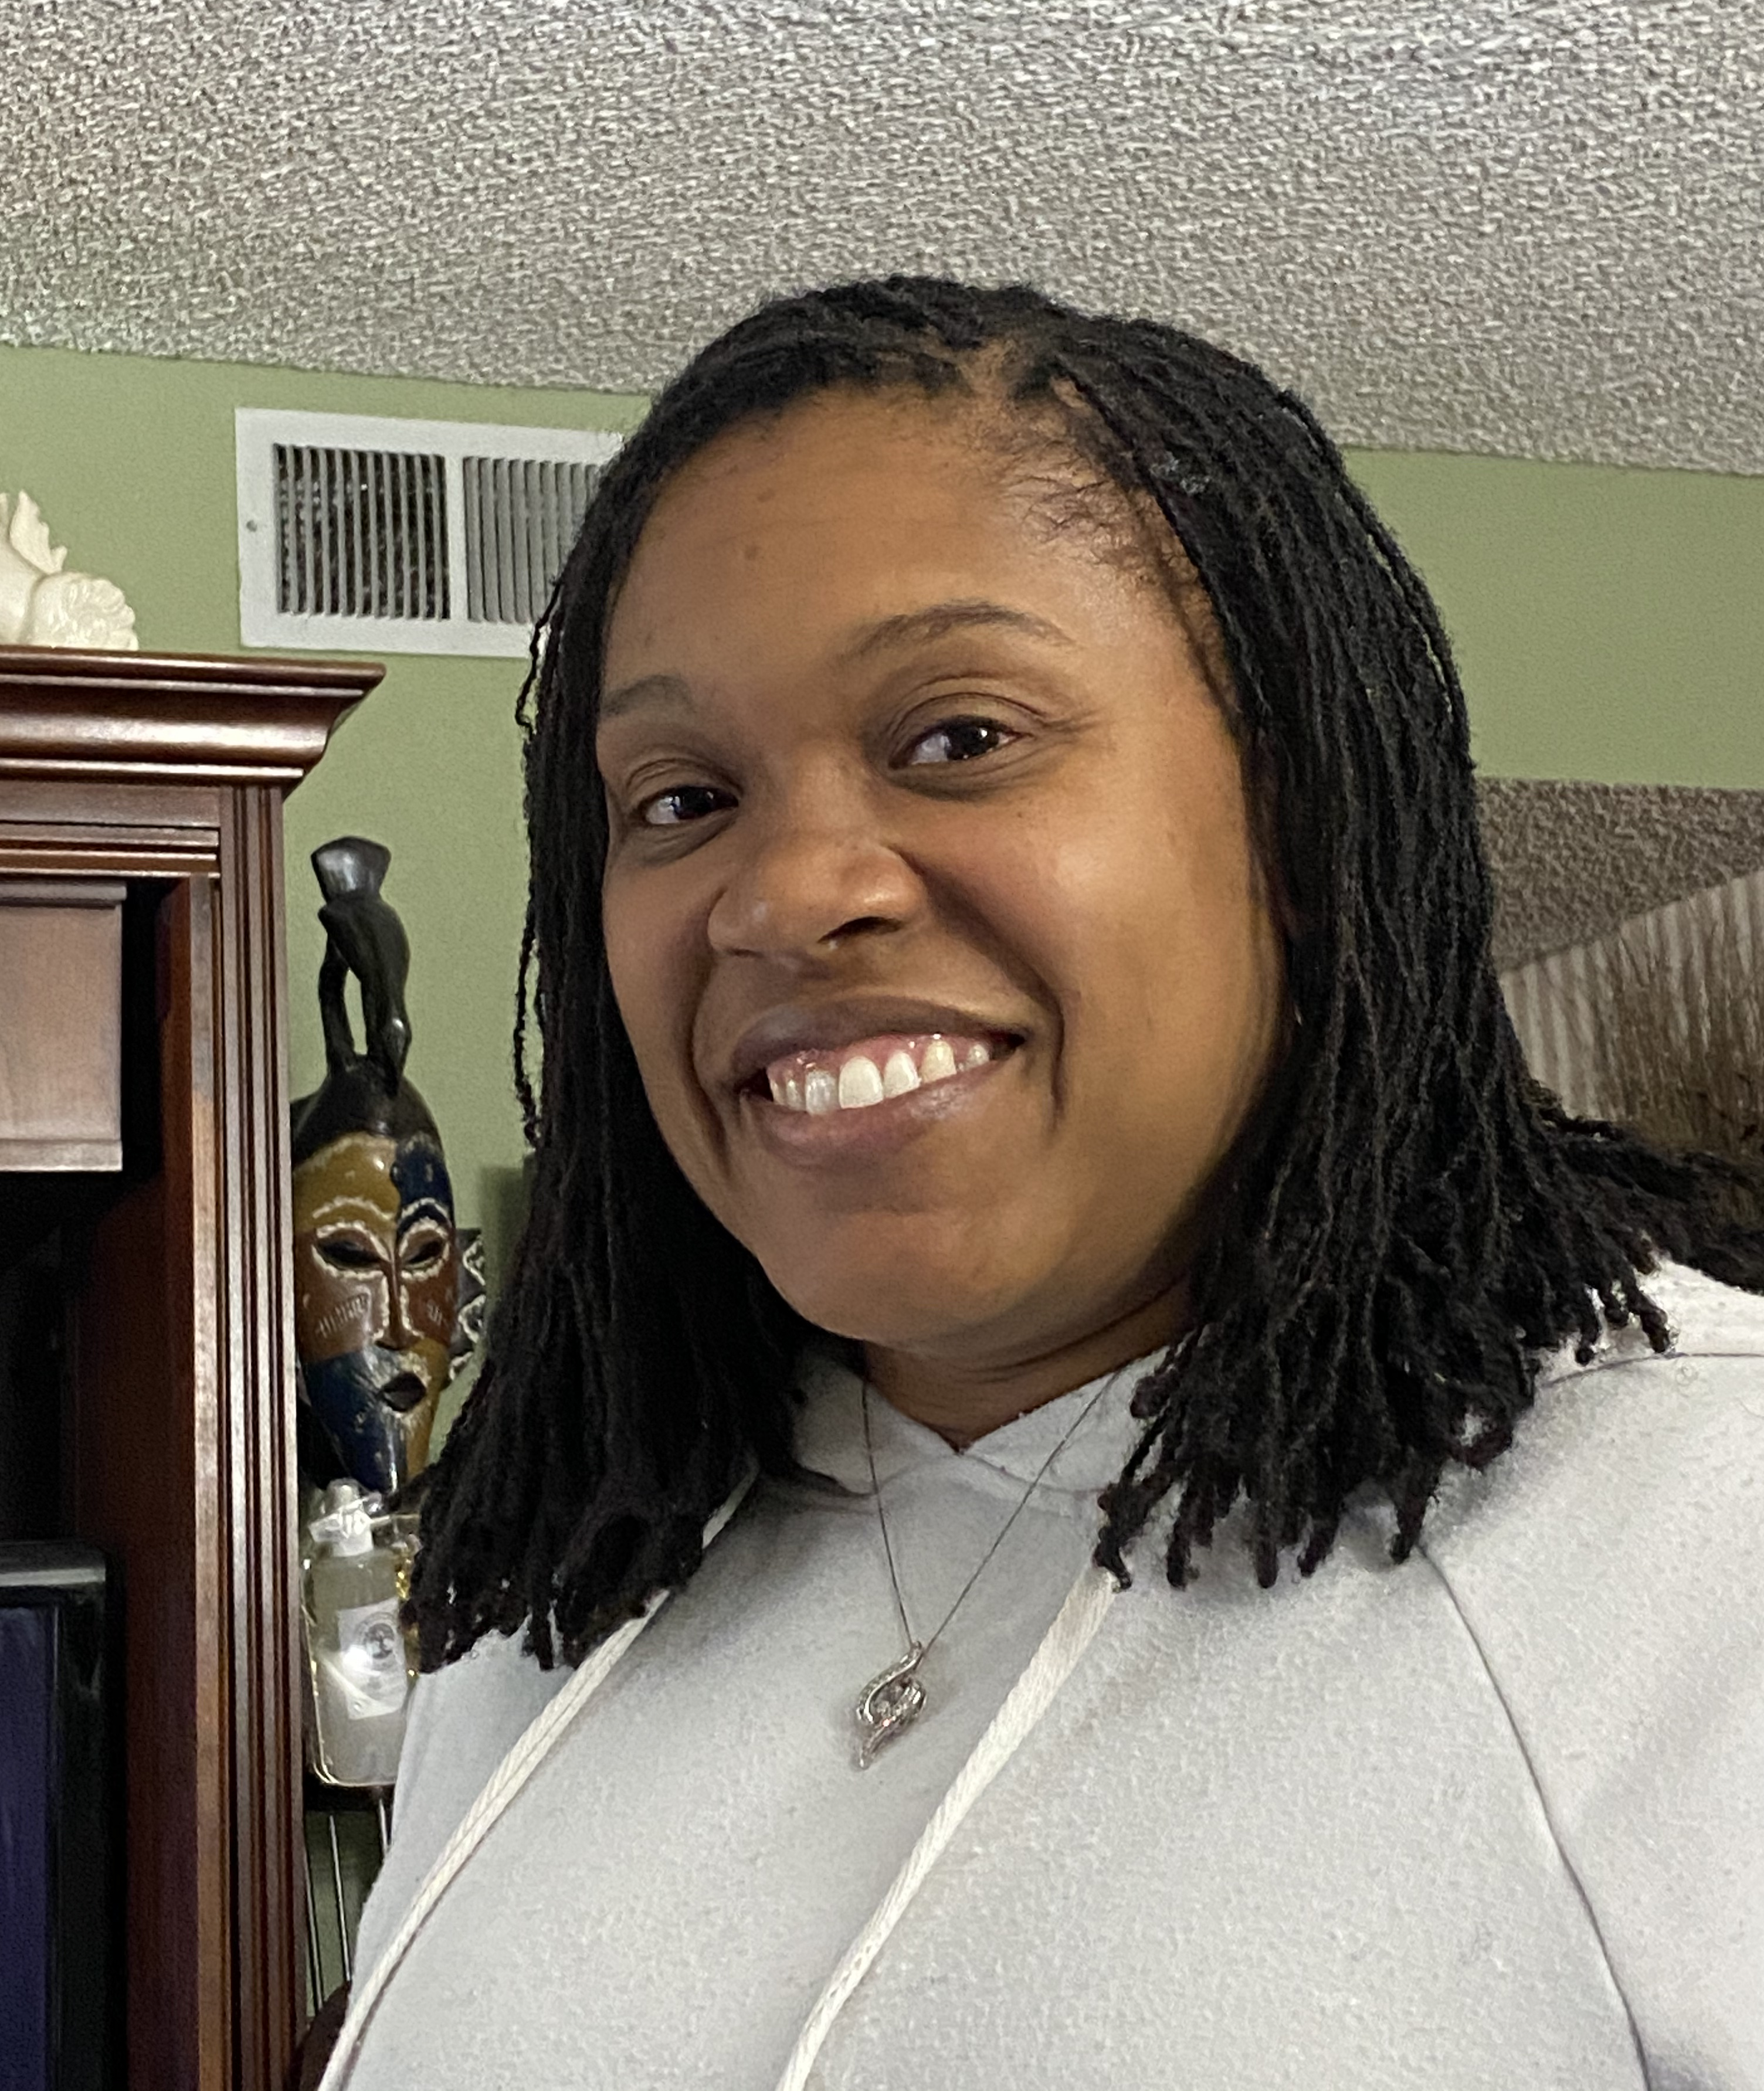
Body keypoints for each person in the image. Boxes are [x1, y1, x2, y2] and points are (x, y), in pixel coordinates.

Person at [324, 278, 1764, 2089]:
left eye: (958, 738)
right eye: (680, 799)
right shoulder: (548, 1607)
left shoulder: (1702, 1549)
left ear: (1301, 825)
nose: (785, 896)